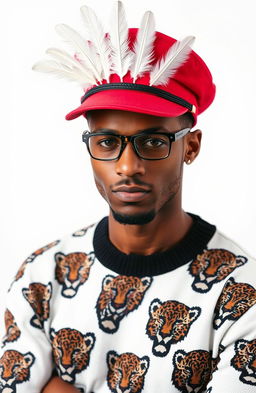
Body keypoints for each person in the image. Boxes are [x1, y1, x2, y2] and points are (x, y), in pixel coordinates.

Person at [1, 2, 256, 393]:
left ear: (191, 146)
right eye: (106, 142)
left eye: (153, 141)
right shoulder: (42, 276)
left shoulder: (241, 293)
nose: (127, 166)